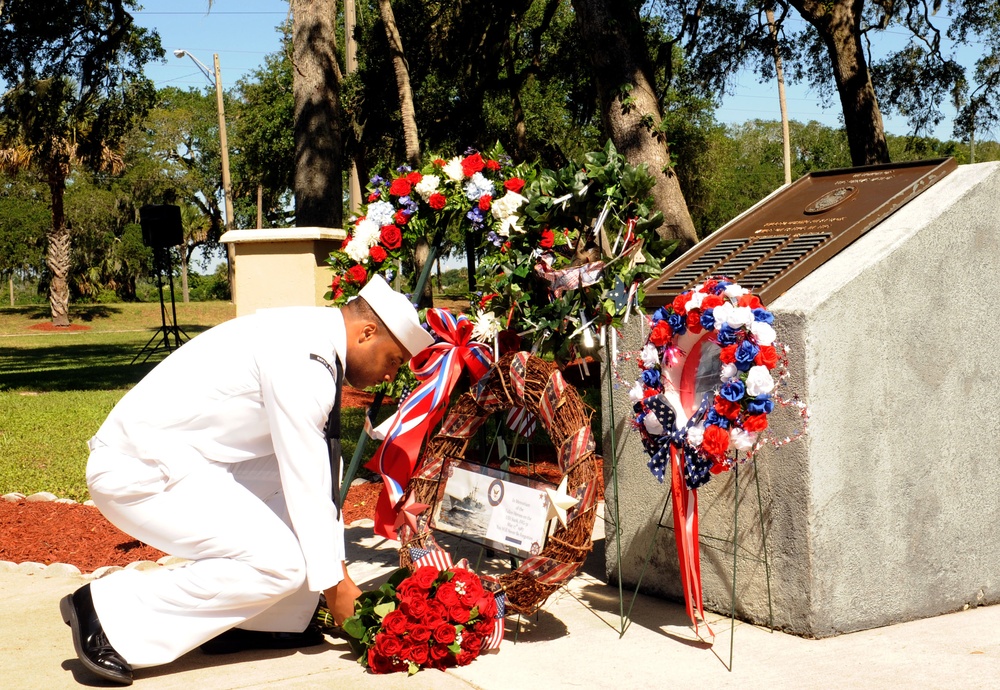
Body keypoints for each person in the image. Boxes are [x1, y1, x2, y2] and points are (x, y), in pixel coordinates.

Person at [59, 276, 434, 686]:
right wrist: (336, 585)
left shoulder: (308, 334)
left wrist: (333, 577)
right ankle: (109, 613)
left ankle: (265, 621)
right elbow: (305, 479)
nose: (390, 375)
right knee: (280, 564)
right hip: (140, 472)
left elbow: (314, 474)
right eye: (394, 360)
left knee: (330, 464)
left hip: (184, 460)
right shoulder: (305, 359)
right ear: (367, 332)